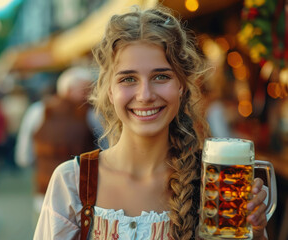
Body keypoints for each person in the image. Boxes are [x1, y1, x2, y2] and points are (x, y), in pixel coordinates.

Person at [34, 6, 269, 240]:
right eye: (128, 79)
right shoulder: (72, 182)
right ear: (109, 91)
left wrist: (256, 233)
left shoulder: (214, 185)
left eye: (161, 76)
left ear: (182, 86)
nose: (145, 95)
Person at [15, 66, 100, 219]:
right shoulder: (92, 114)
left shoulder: (38, 110)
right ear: (67, 90)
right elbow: (106, 149)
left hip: (47, 194)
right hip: (82, 197)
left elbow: (24, 157)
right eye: (85, 90)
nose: (91, 94)